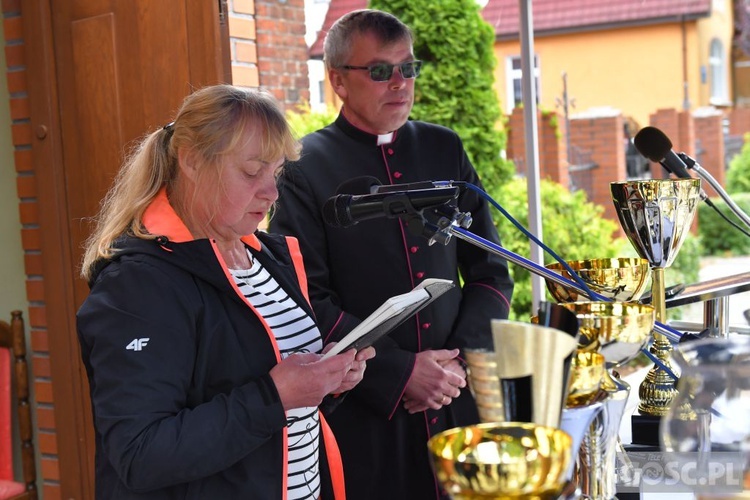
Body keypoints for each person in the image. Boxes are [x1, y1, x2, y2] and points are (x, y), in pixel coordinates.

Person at [76, 84, 374, 499]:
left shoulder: (269, 254)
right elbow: (140, 454)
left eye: (276, 174)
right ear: (193, 161)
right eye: (252, 172)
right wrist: (275, 396)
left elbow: (280, 403)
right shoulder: (139, 285)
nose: (271, 193)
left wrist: (326, 380)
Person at [269, 9, 514, 500]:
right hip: (369, 409)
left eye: (408, 68)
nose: (400, 83)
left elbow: (490, 273)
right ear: (338, 80)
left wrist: (455, 365)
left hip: (458, 396)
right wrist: (398, 372)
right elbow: (305, 298)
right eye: (380, 71)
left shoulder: (444, 148)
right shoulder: (304, 167)